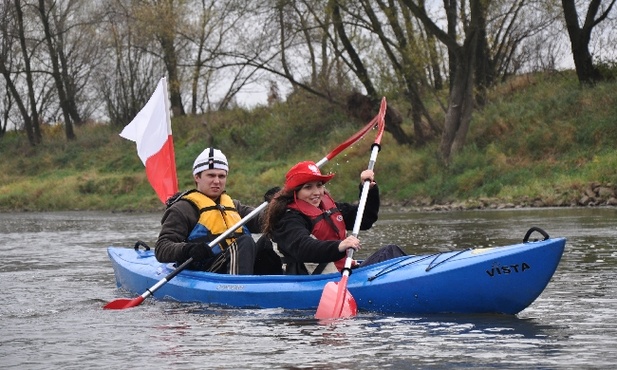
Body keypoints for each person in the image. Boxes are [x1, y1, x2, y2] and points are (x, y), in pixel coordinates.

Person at [262, 161, 406, 275]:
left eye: (319, 186)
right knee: (390, 253)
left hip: (341, 271)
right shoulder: (287, 219)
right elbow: (303, 248)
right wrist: (340, 246)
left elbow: (365, 219)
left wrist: (368, 189)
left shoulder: (328, 208)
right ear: (295, 192)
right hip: (314, 279)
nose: (316, 192)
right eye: (308, 187)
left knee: (391, 253)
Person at [155, 147, 267, 275]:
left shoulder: (235, 206)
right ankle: (238, 288)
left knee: (265, 243)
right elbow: (161, 249)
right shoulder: (182, 209)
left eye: (221, 176)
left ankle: (275, 286)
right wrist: (188, 249)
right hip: (206, 271)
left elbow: (264, 221)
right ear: (197, 177)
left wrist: (277, 204)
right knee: (245, 242)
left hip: (237, 263)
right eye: (211, 175)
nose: (217, 181)